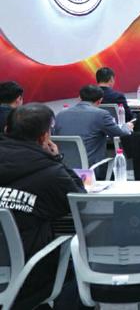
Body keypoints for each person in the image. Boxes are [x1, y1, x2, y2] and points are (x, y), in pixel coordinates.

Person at [0, 104, 88, 309]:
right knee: (81, 263)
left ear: (6, 130)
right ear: (44, 137)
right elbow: (80, 203)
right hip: (27, 275)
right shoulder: (51, 174)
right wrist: (57, 159)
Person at [53, 84, 131, 166]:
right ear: (100, 101)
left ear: (79, 98)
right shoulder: (101, 115)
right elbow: (121, 135)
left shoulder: (60, 115)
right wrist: (126, 127)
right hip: (92, 168)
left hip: (63, 167)